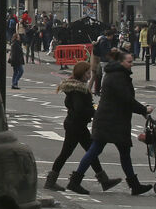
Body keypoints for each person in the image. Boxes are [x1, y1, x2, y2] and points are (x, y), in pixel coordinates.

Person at [66, 49, 152, 195]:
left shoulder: (116, 74)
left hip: (112, 120)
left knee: (121, 152)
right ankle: (75, 181)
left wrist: (142, 110)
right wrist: (144, 109)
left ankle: (134, 185)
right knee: (97, 150)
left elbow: (125, 100)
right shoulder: (118, 77)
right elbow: (126, 99)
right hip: (111, 121)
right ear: (120, 62)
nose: (131, 64)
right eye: (129, 62)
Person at [43, 61, 121, 191]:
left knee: (89, 152)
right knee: (70, 153)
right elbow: (80, 108)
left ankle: (103, 180)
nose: (89, 75)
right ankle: (54, 182)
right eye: (88, 73)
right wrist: (94, 112)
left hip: (75, 124)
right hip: (76, 126)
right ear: (81, 73)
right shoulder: (78, 90)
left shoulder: (75, 88)